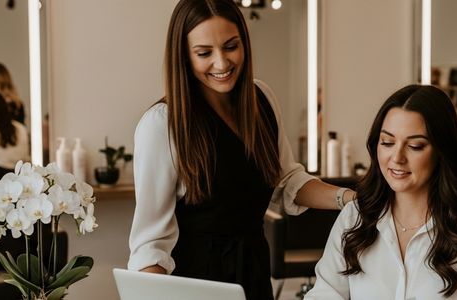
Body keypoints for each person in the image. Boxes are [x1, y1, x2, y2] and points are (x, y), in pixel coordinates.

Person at [127, 0, 356, 299]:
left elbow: (287, 181)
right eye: (204, 53)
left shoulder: (261, 100)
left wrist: (350, 199)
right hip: (196, 286)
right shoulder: (162, 125)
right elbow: (150, 244)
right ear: (183, 55)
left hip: (254, 276)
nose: (221, 64)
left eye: (231, 46)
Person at [306, 85, 457, 299]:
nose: (397, 157)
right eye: (387, 142)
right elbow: (324, 294)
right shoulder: (354, 217)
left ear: (442, 152)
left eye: (415, 146)